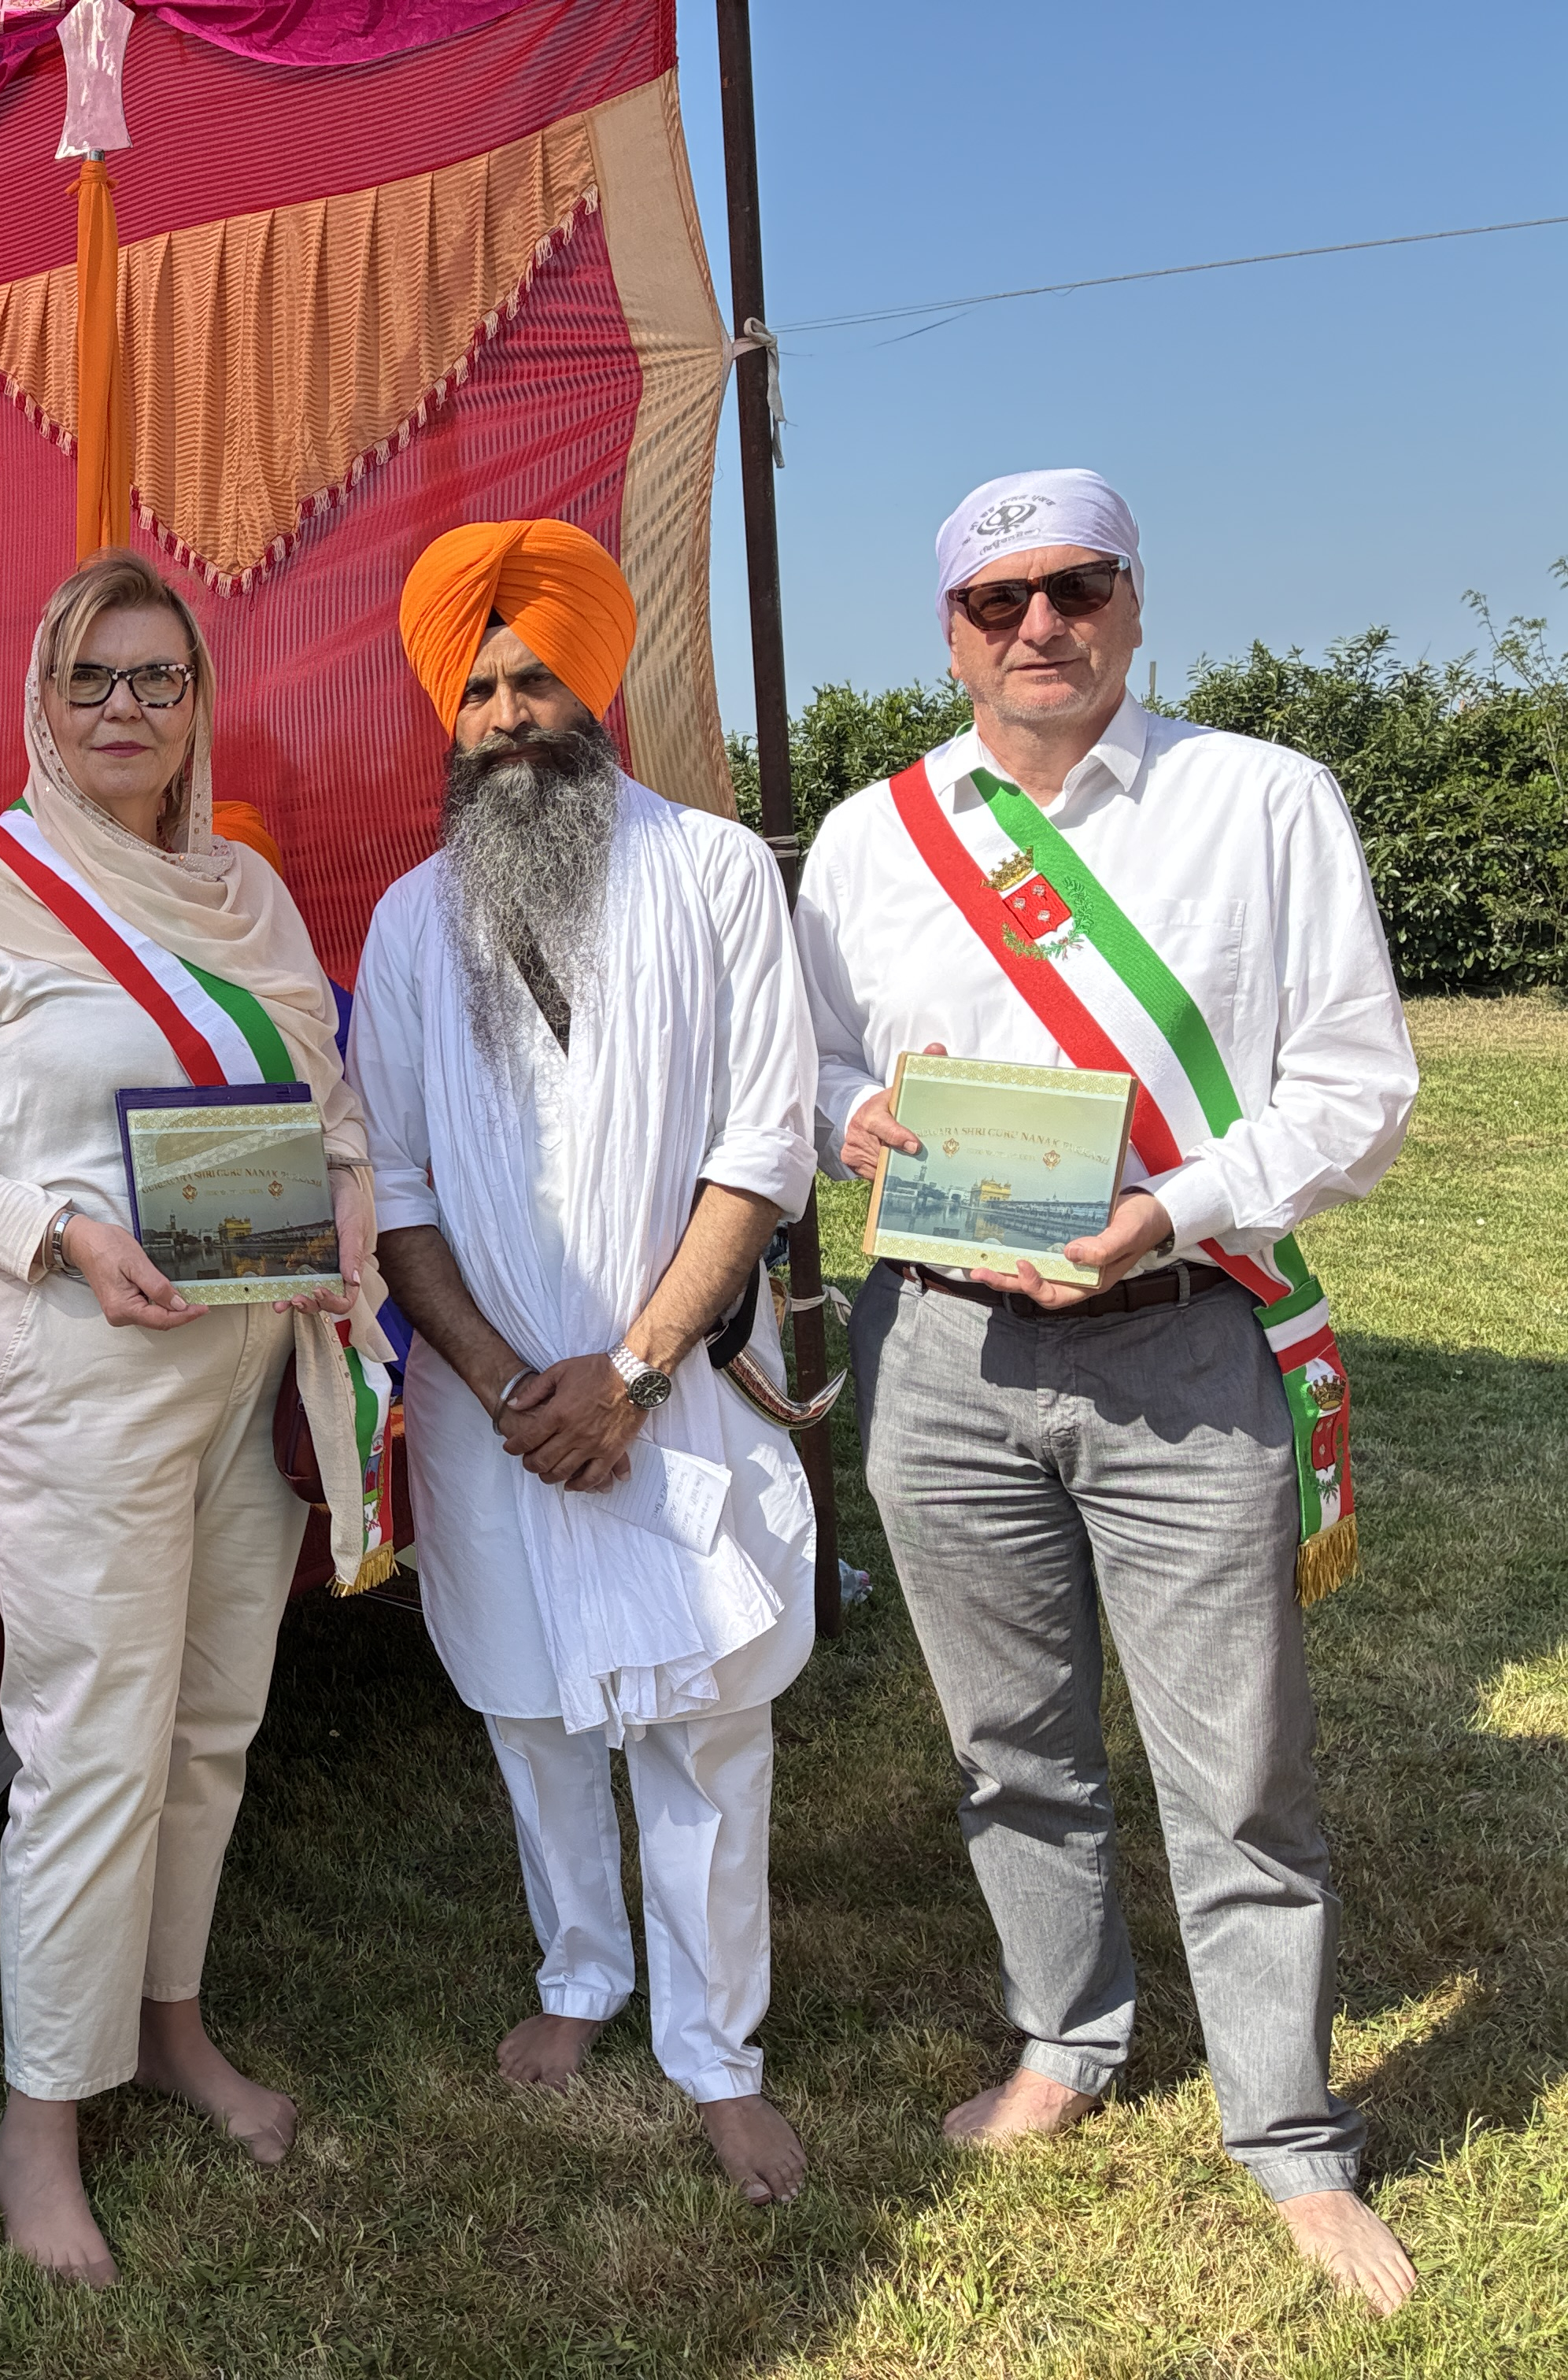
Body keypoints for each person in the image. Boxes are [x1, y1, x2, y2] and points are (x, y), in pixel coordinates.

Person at [795, 468, 1419, 2312]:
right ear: (951, 631)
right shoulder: (872, 835)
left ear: (1134, 601)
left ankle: (1289, 2132)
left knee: (1238, 1765)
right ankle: (1067, 2037)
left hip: (1181, 1330)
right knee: (1009, 1743)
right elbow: (807, 1060)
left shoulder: (1264, 800)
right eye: (1000, 601)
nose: (1041, 626)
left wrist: (1172, 1211)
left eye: (1077, 587)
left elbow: (1357, 1088)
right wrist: (857, 1113)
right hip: (942, 1351)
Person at [0, 549, 385, 2284]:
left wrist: (344, 1223)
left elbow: (328, 1104)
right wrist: (56, 1231)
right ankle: (37, 2124)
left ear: (199, 703)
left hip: (254, 1356)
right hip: (77, 1369)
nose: (128, 708)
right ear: (43, 703)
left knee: (212, 1721)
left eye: (159, 676)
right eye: (92, 678)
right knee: (92, 1742)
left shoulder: (247, 890)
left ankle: (168, 2027)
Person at [353, 517, 818, 2206]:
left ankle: (716, 2051)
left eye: (536, 679)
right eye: (477, 688)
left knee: (703, 1725)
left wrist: (629, 1367)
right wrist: (503, 1381)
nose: (505, 715)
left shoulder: (716, 872)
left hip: (668, 1387)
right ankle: (580, 1972)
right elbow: (394, 1184)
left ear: (595, 689)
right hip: (493, 1406)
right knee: (532, 1704)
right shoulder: (409, 922)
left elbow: (763, 1149)